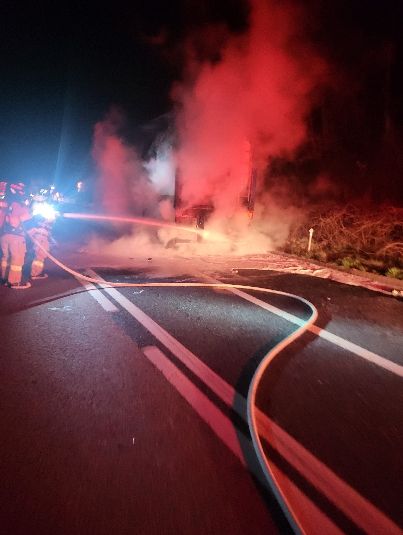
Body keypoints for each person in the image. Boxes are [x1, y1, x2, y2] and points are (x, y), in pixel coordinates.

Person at [0, 182, 32, 289]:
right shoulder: (19, 205)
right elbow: (20, 220)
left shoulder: (6, 204)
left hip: (4, 236)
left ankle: (4, 278)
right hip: (16, 237)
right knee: (17, 260)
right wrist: (30, 214)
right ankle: (14, 282)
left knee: (6, 258)